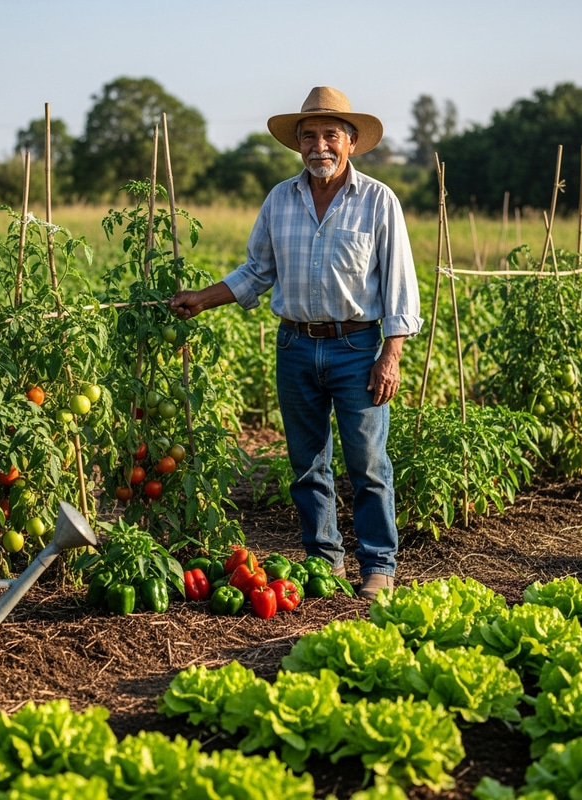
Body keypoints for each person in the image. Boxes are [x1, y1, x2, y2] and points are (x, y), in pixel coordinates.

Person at [169, 87, 423, 600]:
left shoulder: (377, 200)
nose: (319, 145)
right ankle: (323, 561)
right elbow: (257, 270)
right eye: (309, 136)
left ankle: (378, 565)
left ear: (351, 142)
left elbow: (400, 285)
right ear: (298, 145)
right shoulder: (280, 199)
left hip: (358, 348)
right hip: (295, 347)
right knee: (307, 463)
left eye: (331, 134)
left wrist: (390, 355)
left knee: (369, 462)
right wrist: (203, 298)